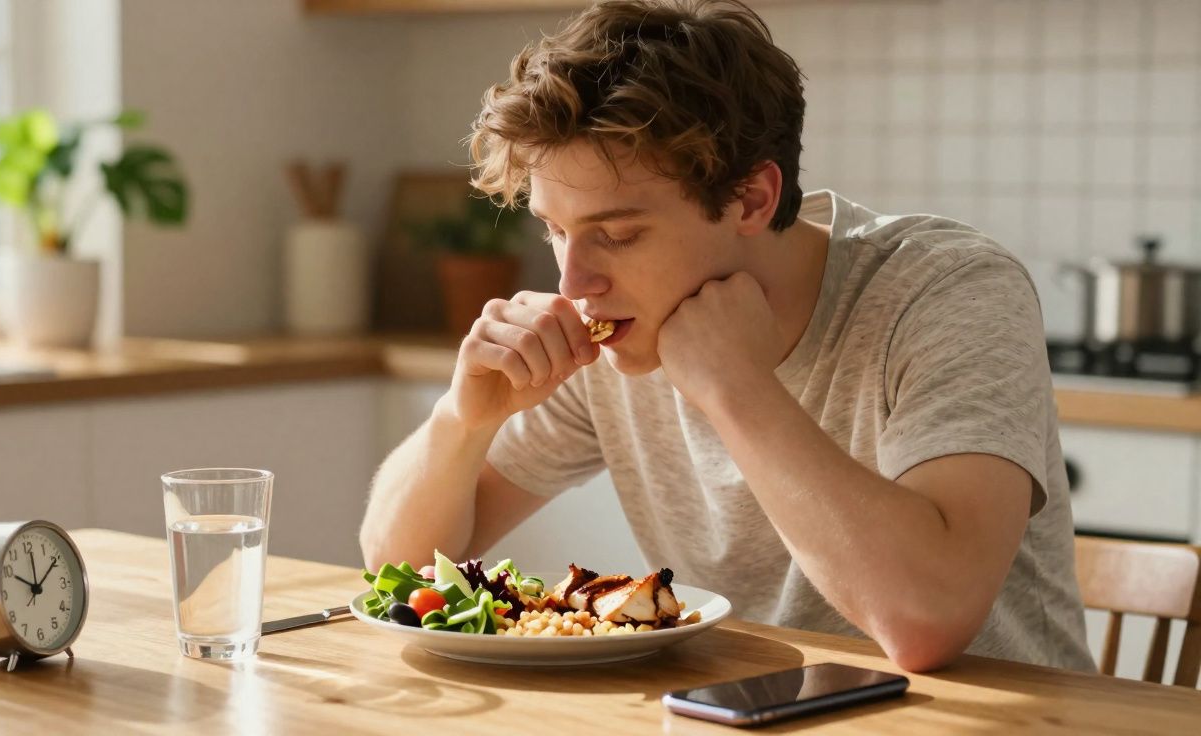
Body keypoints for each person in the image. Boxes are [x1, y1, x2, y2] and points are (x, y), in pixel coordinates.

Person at [359, 0, 1096, 673]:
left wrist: (735, 388)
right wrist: (462, 419)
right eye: (555, 231)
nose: (574, 281)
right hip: (740, 713)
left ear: (752, 198)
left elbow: (924, 624)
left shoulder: (947, 290)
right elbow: (398, 563)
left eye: (616, 234)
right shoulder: (615, 326)